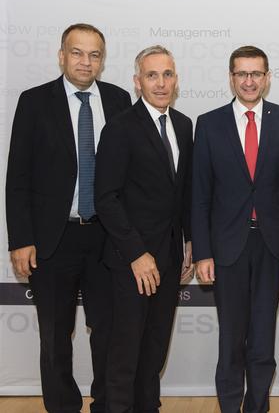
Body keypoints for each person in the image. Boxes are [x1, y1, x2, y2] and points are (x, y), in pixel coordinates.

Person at [5, 23, 131, 413]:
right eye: (77, 52)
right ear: (61, 56)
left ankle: (107, 403)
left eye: (94, 54)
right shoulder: (33, 102)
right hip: (51, 240)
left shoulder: (119, 100)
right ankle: (62, 406)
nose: (85, 61)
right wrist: (21, 239)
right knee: (56, 334)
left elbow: (131, 174)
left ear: (102, 60)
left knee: (109, 331)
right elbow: (18, 178)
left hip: (107, 239)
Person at [191, 45, 279, 413]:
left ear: (267, 77)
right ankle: (229, 407)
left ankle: (258, 406)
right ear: (230, 78)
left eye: (256, 73)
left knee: (262, 338)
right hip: (226, 248)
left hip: (272, 245)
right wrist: (202, 251)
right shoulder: (209, 123)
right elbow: (200, 195)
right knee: (231, 339)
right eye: (241, 73)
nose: (249, 81)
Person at [94, 45, 193, 413]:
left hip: (169, 260)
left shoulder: (183, 125)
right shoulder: (120, 128)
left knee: (153, 353)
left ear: (176, 80)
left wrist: (189, 242)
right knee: (124, 355)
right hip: (131, 263)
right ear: (137, 82)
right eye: (152, 75)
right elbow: (106, 198)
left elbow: (182, 193)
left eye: (167, 74)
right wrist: (137, 254)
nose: (161, 83)